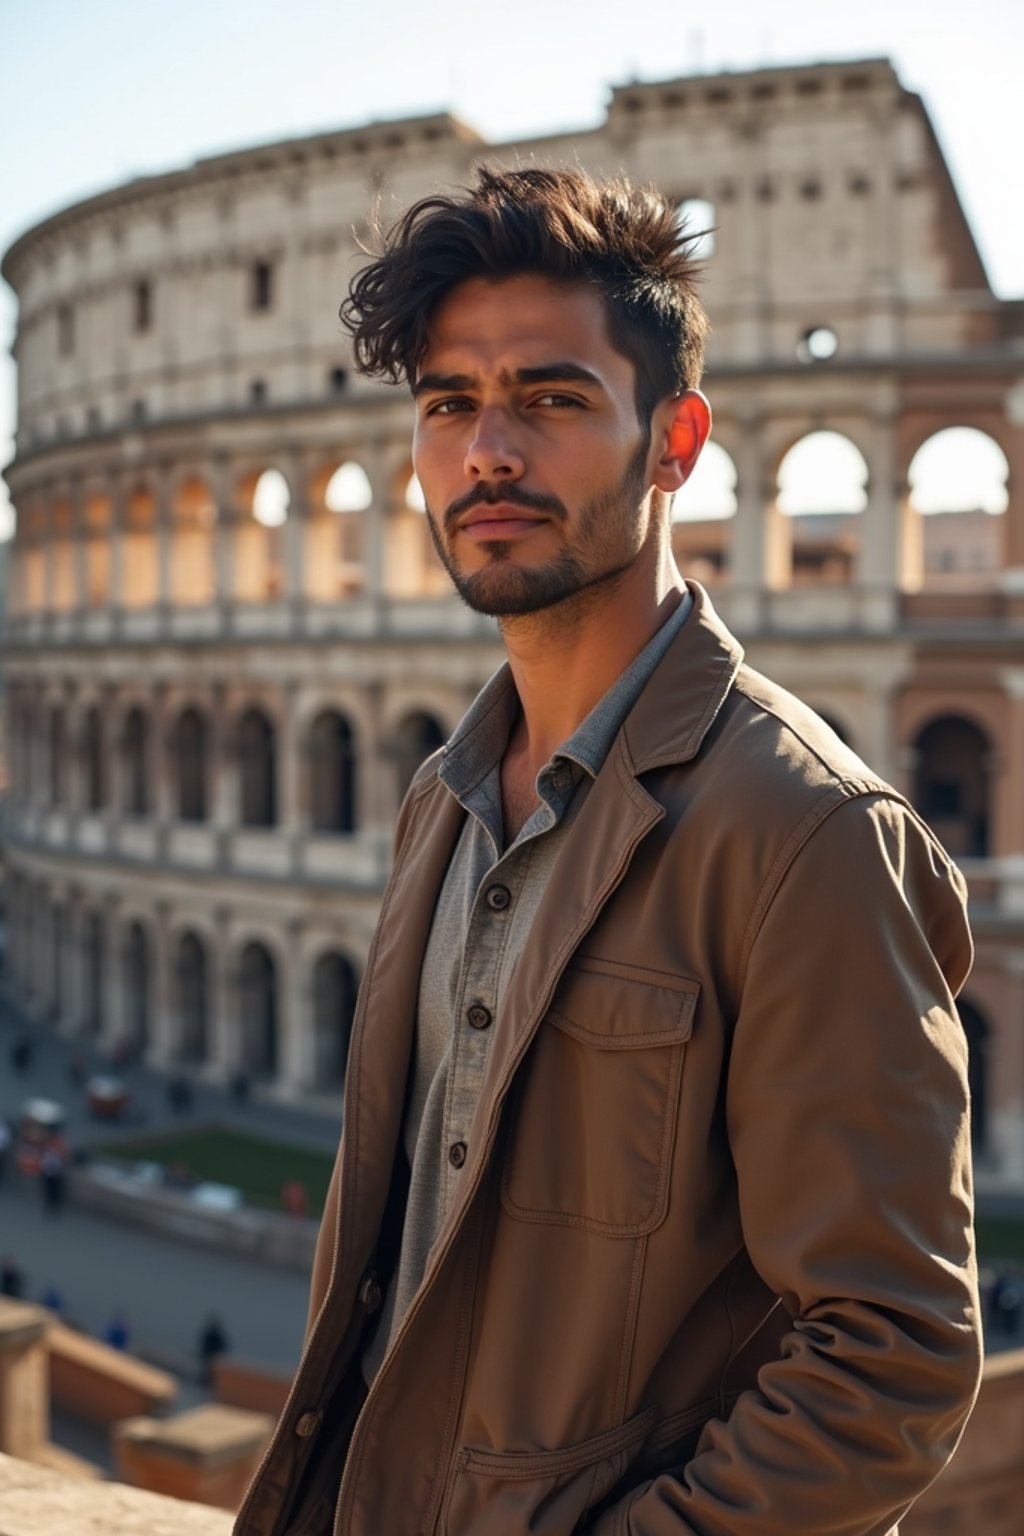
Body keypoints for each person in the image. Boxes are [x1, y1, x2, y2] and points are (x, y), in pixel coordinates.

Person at [234, 168, 981, 1536]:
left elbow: (897, 1357)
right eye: (448, 404)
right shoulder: (441, 800)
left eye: (553, 398)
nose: (487, 453)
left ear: (675, 441)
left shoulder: (807, 833)